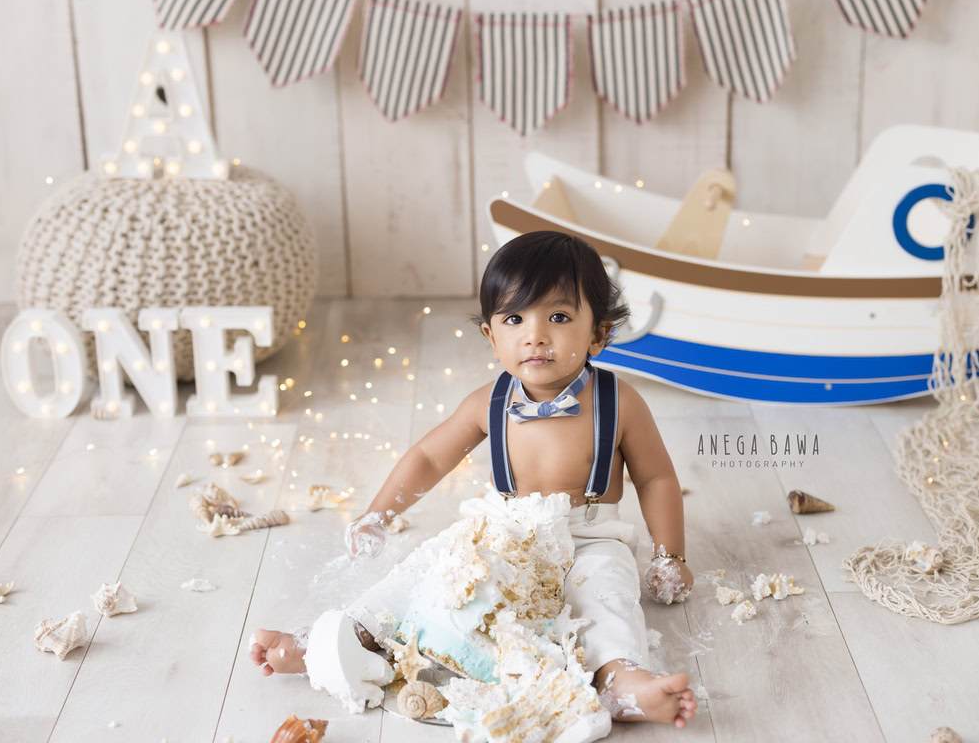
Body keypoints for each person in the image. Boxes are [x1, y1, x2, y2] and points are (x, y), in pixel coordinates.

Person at [250, 230, 697, 728]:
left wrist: (668, 554)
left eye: (559, 317)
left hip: (589, 538)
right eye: (514, 319)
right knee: (423, 570)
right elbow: (428, 457)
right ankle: (335, 641)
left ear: (598, 334)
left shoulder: (620, 402)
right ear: (491, 336)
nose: (535, 335)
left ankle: (623, 680)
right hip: (502, 533)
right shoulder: (490, 403)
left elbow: (656, 478)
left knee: (606, 596)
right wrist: (379, 513)